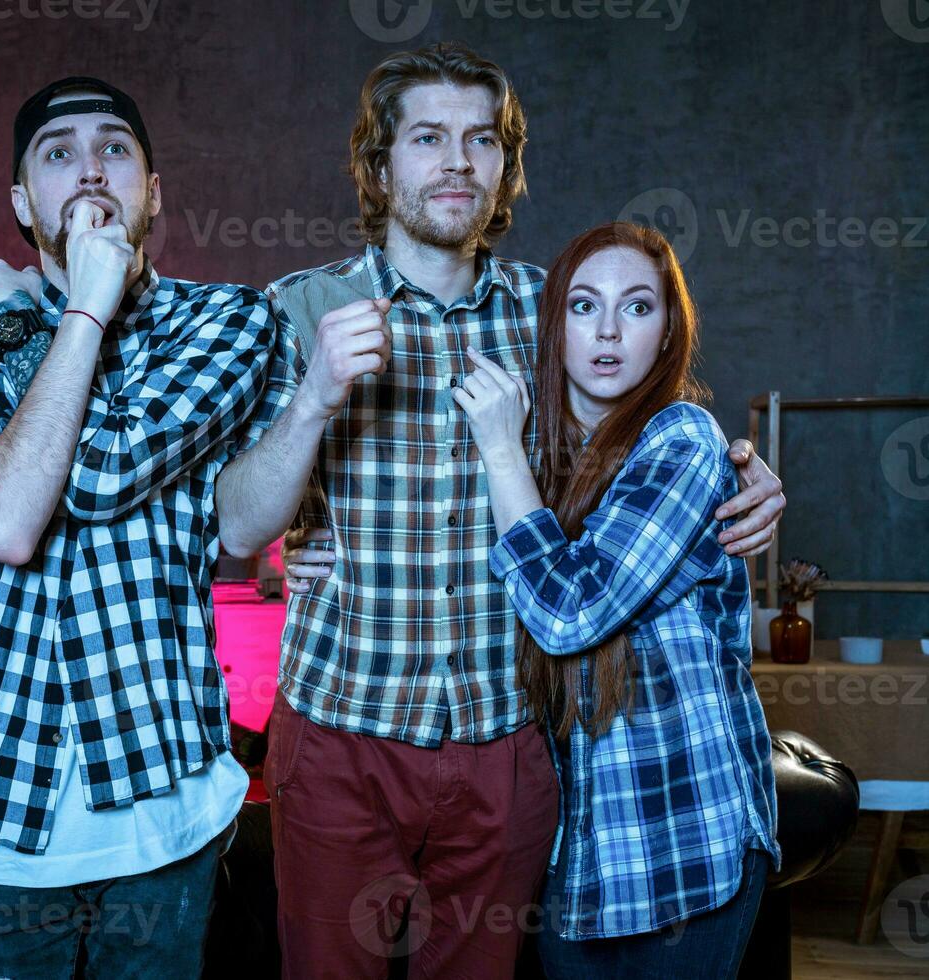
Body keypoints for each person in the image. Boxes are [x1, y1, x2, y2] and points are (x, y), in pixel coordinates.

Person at [216, 44, 786, 978]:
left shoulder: (548, 312)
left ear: (505, 166)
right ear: (379, 163)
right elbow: (238, 527)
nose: (457, 162)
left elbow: (648, 435)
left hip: (508, 737)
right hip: (341, 729)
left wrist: (743, 471)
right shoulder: (299, 308)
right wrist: (313, 399)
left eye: (482, 140)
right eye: (429, 137)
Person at [0, 77, 269, 979]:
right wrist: (80, 310)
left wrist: (41, 317)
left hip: (169, 806)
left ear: (153, 191)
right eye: (58, 152)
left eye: (115, 149)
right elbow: (3, 525)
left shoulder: (225, 321)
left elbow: (104, 469)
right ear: (19, 200)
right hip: (4, 800)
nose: (89, 171)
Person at [454, 221, 778, 978]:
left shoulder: (683, 438)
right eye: (582, 305)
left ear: (668, 334)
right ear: (553, 324)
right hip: (583, 862)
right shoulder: (542, 459)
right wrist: (314, 546)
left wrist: (498, 449)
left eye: (637, 308)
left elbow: (570, 612)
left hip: (685, 841)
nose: (606, 331)